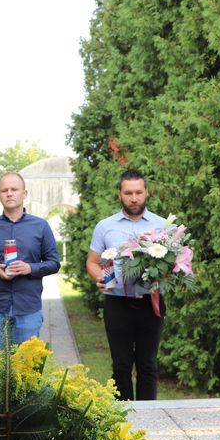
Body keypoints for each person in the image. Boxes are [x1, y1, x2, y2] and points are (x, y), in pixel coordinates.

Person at [85, 169, 166, 401]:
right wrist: (99, 277)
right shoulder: (105, 226)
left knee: (147, 365)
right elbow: (92, 261)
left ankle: (149, 420)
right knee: (120, 366)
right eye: (128, 193)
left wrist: (166, 276)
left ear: (146, 193)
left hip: (151, 302)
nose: (134, 198)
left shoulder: (162, 226)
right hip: (117, 303)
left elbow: (175, 264)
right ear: (119, 194)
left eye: (138, 192)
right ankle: (123, 423)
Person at [0, 172, 60, 349]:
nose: (9, 193)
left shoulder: (40, 226)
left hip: (28, 308)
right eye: (4, 190)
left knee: (26, 370)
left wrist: (29, 268)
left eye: (14, 189)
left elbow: (54, 263)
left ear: (24, 194)